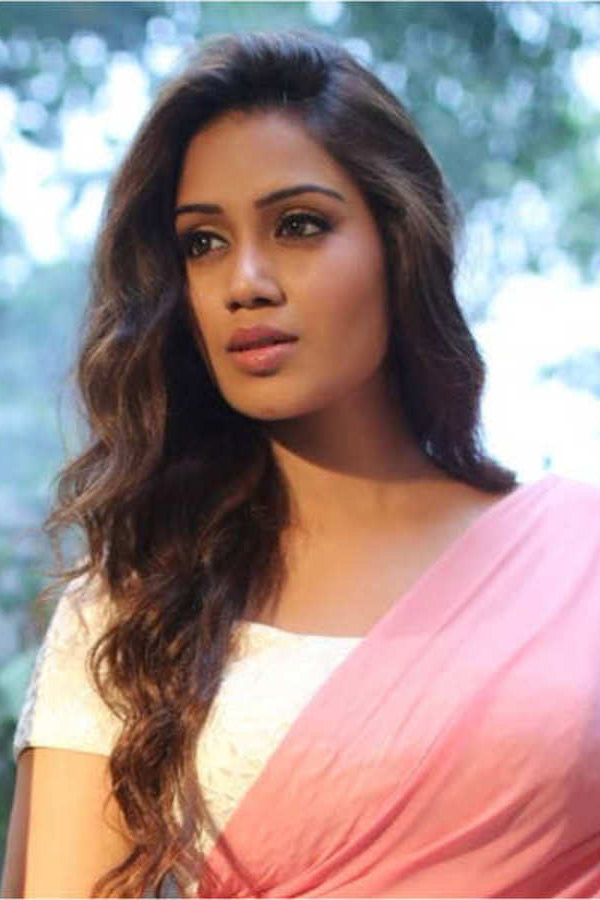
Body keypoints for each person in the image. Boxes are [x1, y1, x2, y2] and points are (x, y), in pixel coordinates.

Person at [2, 26, 600, 899]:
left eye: (299, 225)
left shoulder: (579, 557)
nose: (245, 280)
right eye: (203, 243)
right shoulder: (135, 607)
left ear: (397, 243)